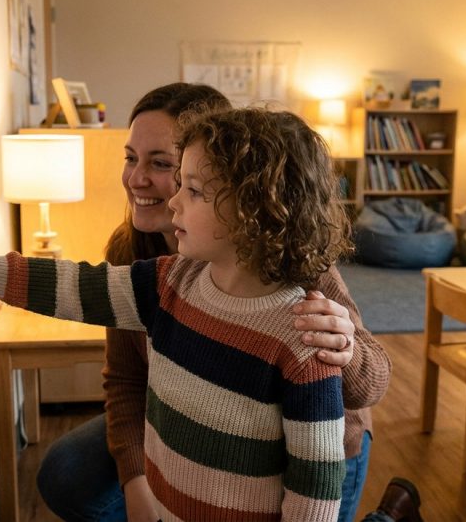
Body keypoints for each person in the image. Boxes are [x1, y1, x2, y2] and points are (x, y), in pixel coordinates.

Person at [0, 106, 384, 520]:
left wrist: (348, 350)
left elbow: (315, 490)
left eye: (192, 189)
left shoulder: (304, 334)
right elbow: (77, 287)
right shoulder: (172, 280)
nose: (172, 200)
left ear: (254, 208)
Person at [37, 83, 390, 522]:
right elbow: (126, 379)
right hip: (188, 418)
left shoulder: (284, 257)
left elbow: (369, 385)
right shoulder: (133, 252)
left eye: (162, 164)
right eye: (130, 158)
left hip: (309, 449)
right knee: (66, 471)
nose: (135, 179)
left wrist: (347, 347)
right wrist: (137, 482)